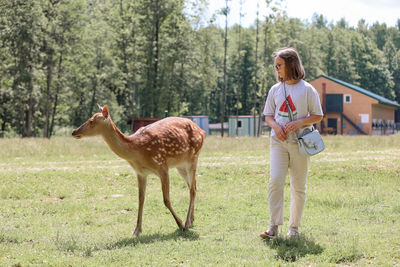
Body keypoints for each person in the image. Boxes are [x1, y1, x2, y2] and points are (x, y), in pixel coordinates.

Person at [260, 47, 323, 238]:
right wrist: (276, 127)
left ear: (291, 64)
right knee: (275, 181)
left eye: (279, 65)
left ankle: (294, 228)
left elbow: (318, 115)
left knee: (298, 186)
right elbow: (268, 115)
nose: (276, 69)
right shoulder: (275, 90)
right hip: (278, 143)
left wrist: (298, 123)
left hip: (300, 143)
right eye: (275, 66)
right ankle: (273, 227)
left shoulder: (308, 89)